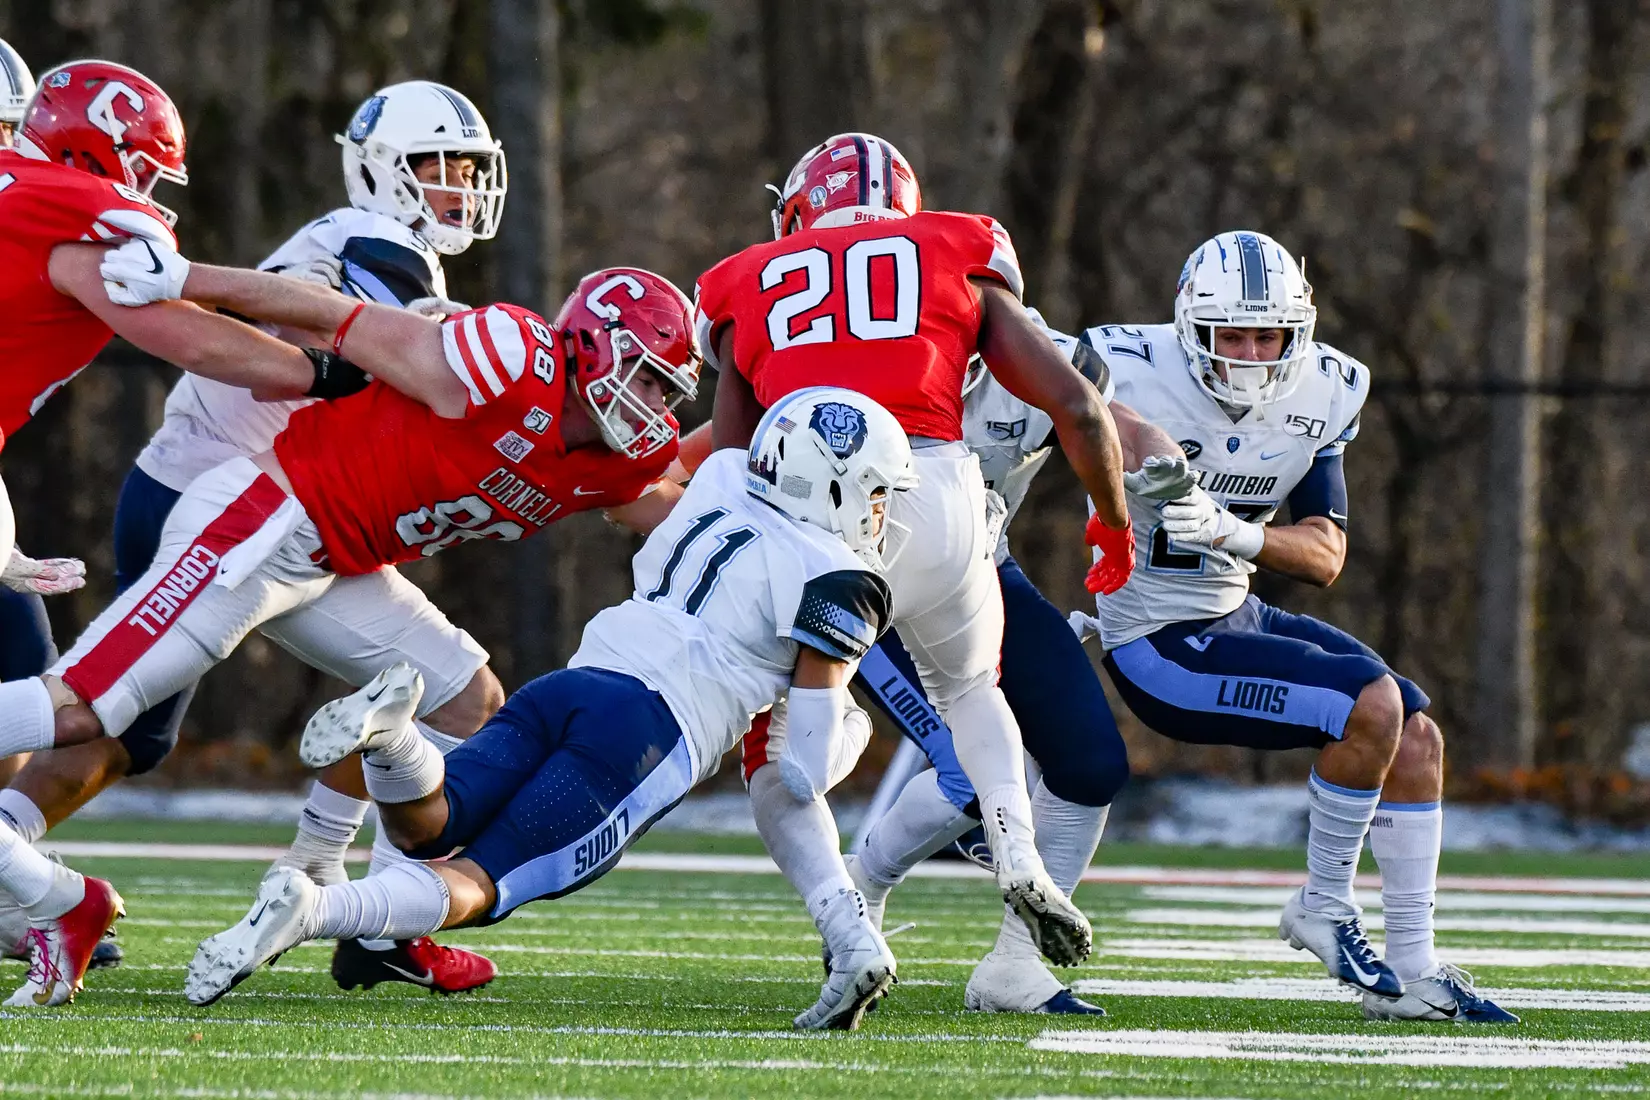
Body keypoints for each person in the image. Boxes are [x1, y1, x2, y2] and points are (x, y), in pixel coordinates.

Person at [0, 255, 699, 1008]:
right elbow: (334, 316)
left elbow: (676, 508)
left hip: (339, 561)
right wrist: (184, 276)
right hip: (267, 520)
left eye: (669, 387)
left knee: (467, 700)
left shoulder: (621, 459)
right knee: (84, 708)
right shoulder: (514, 357)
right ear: (592, 346)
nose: (655, 402)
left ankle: (354, 911)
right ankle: (65, 897)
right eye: (648, 375)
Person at [186, 386, 912, 1031]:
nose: (881, 511)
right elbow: (806, 769)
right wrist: (853, 722)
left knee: (428, 826)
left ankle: (393, 743)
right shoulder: (839, 574)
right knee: (481, 881)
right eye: (876, 492)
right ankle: (312, 912)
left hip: (578, 680)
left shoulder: (723, 475)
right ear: (834, 485)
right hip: (649, 735)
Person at [0, 80, 510, 995]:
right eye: (439, 166)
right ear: (386, 171)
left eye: (469, 169)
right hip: (228, 507)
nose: (457, 187)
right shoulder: (373, 244)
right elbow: (420, 375)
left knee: (444, 694)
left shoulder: (367, 245)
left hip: (290, 511)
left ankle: (343, 895)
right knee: (104, 718)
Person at [694, 132, 1137, 970]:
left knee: (785, 751)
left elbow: (731, 464)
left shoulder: (746, 277)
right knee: (973, 690)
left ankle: (843, 910)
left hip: (813, 528)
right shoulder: (955, 249)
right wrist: (1112, 528)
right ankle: (1016, 847)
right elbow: (1080, 409)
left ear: (799, 214)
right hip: (942, 492)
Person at [1070, 230, 1515, 1024]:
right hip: (1157, 642)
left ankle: (1413, 968)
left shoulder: (1325, 389)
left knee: (1417, 736)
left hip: (1235, 607)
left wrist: (1235, 532)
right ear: (1189, 330)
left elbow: (1324, 553)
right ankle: (1323, 903)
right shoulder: (1122, 364)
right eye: (1229, 334)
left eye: (1266, 334)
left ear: (1296, 333)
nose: (1248, 352)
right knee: (1370, 704)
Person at [0, 58, 342, 1006]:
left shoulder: (30, 192)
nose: (143, 189)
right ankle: (48, 897)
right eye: (140, 165)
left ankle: (37, 895)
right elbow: (181, 335)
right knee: (35, 685)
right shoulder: (68, 207)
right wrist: (314, 370)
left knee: (24, 674)